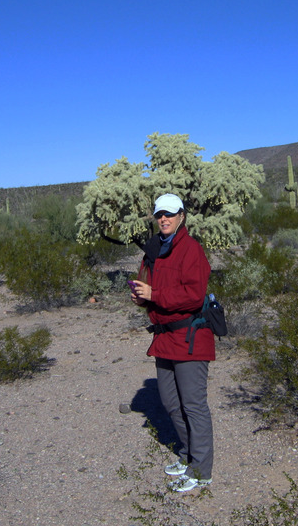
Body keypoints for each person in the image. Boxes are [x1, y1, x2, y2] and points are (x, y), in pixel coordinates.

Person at [129, 193, 214, 492]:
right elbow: (153, 291)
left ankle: (202, 471)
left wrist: (155, 296)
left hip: (189, 336)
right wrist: (142, 298)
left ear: (181, 216)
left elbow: (194, 295)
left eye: (169, 213)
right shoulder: (154, 250)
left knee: (193, 404)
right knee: (170, 401)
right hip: (164, 336)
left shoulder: (191, 250)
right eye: (159, 214)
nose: (163, 219)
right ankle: (187, 454)